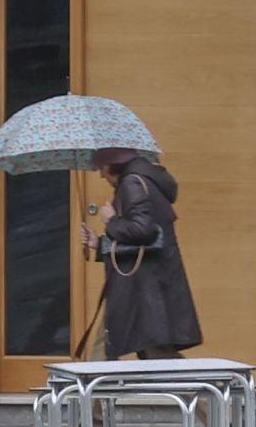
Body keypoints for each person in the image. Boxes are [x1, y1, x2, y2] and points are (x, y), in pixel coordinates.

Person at [79, 147, 202, 361]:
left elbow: (142, 230)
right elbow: (143, 237)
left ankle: (209, 389)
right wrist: (98, 244)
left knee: (134, 346)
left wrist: (111, 220)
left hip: (142, 285)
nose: (100, 175)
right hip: (145, 283)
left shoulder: (131, 183)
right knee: (148, 348)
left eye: (101, 168)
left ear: (111, 165)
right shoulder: (143, 180)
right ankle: (93, 392)